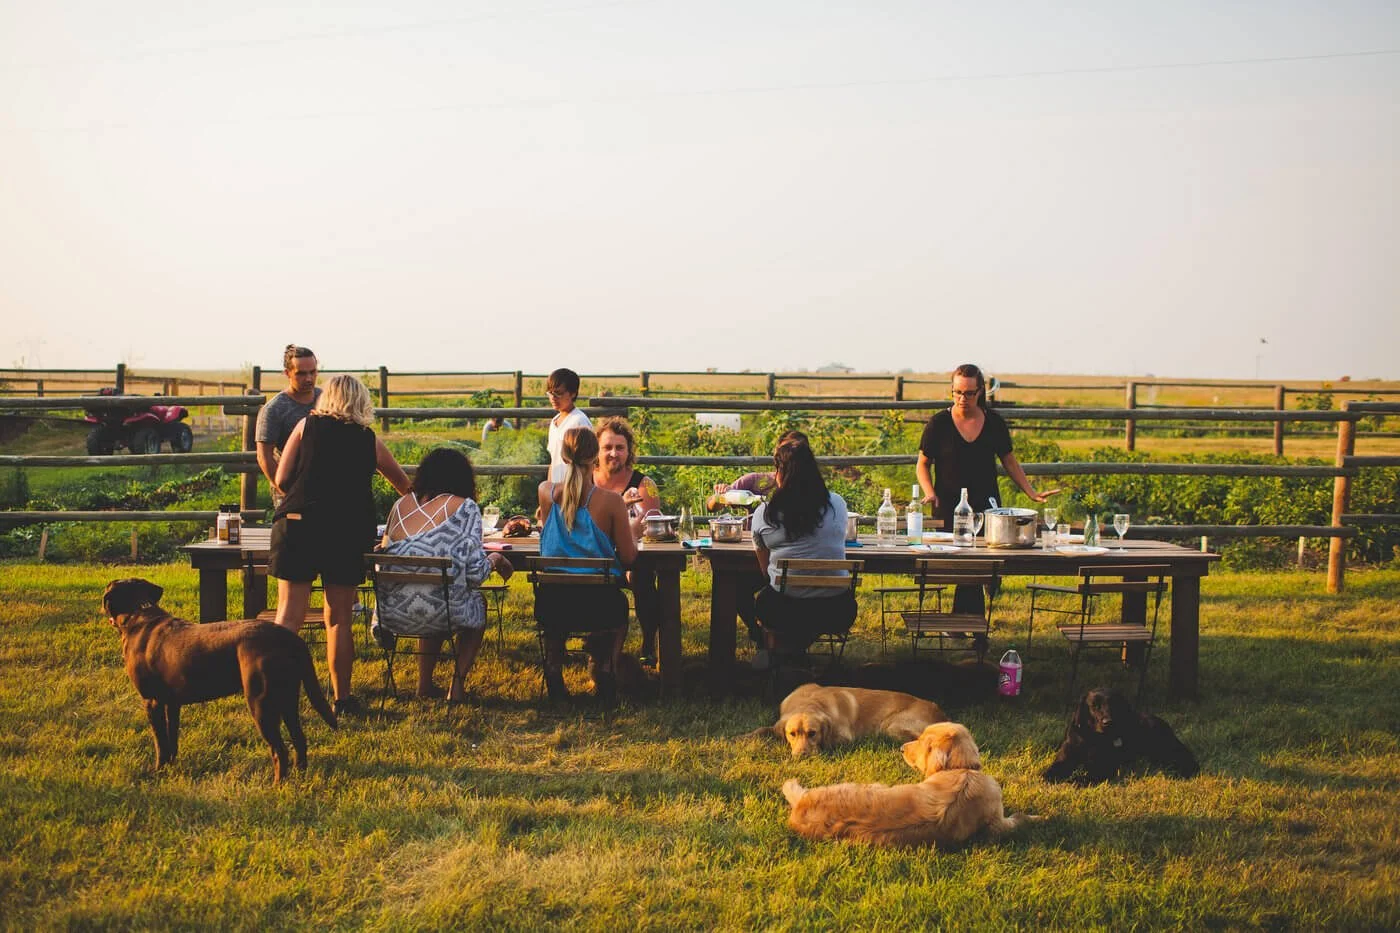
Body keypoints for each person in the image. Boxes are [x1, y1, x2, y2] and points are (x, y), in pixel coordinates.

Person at [270, 374, 413, 717]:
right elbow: (404, 486)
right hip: (346, 532)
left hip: (298, 525)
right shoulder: (368, 440)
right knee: (339, 619)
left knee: (289, 616)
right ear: (361, 401)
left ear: (327, 399)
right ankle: (342, 699)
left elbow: (280, 479)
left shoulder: (306, 426)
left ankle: (273, 695)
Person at [915, 363, 1058, 614]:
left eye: (969, 393)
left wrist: (1031, 492)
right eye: (957, 392)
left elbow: (1010, 462)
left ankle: (966, 625)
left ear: (981, 391)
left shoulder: (993, 423)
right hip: (949, 504)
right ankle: (970, 626)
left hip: (987, 506)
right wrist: (929, 492)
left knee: (979, 564)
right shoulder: (938, 423)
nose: (963, 398)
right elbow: (922, 464)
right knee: (964, 564)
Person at [377, 448, 514, 701]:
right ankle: (457, 686)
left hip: (392, 613)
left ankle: (424, 685)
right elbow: (474, 574)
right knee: (474, 602)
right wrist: (495, 558)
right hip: (441, 610)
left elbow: (384, 555)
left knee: (431, 593)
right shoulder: (465, 508)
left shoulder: (399, 505)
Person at [534, 427, 638, 704]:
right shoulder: (611, 502)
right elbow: (628, 558)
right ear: (595, 458)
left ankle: (554, 668)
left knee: (559, 603)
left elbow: (554, 538)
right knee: (619, 605)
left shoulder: (545, 492)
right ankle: (606, 668)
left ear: (565, 457)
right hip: (599, 608)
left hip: (551, 604)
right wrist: (634, 529)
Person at [750, 437, 855, 667]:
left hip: (784, 609)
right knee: (797, 606)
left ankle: (784, 655)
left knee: (767, 597)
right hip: (837, 609)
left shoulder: (765, 513)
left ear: (780, 472)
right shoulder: (837, 504)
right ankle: (795, 654)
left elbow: (766, 572)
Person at [592, 417, 661, 664]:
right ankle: (596, 642)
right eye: (607, 447)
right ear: (596, 451)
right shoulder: (584, 482)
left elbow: (650, 524)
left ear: (629, 451)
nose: (613, 453)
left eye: (619, 448)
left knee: (641, 578)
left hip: (631, 555)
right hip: (593, 557)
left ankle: (648, 642)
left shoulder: (644, 484)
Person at [255, 345, 321, 504]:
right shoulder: (274, 409)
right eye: (301, 373)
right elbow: (264, 456)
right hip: (290, 487)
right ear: (288, 373)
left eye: (312, 372)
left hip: (322, 485)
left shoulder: (326, 399)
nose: (309, 379)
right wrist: (285, 490)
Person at [545, 368, 592, 484]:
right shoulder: (554, 422)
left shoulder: (579, 422)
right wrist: (550, 491)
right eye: (550, 393)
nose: (553, 398)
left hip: (573, 490)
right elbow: (553, 461)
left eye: (558, 393)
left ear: (573, 394)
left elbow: (587, 463)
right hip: (556, 490)